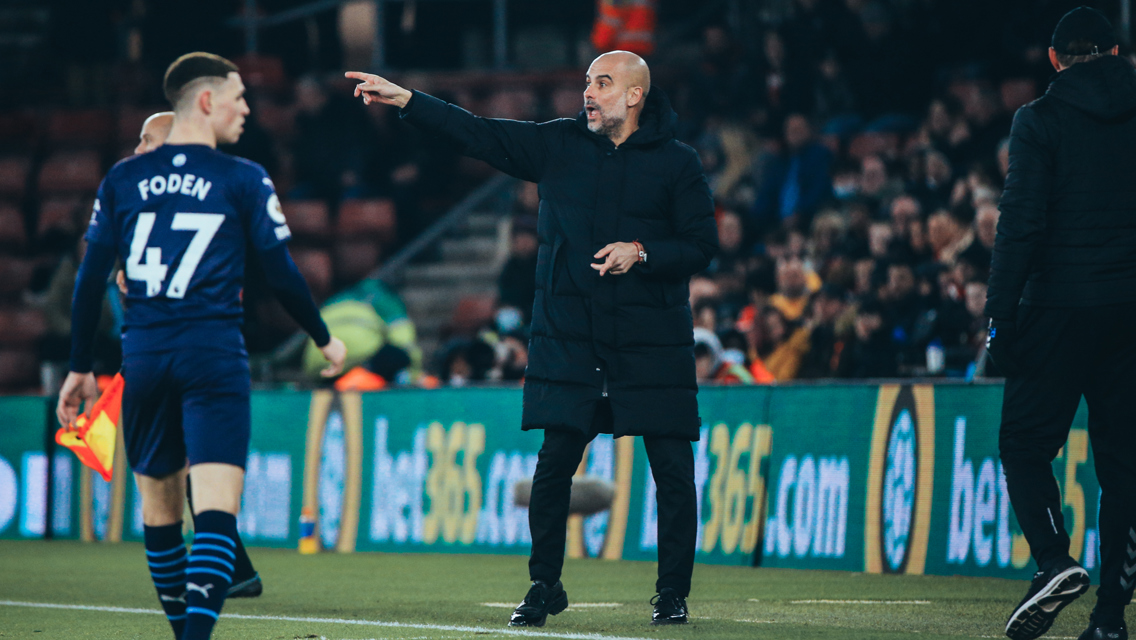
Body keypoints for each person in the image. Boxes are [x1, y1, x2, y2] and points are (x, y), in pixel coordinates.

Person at [347, 49, 717, 626]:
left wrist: (641, 252)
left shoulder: (678, 163)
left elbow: (701, 245)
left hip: (651, 341)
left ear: (635, 95)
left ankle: (672, 594)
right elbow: (479, 134)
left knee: (672, 472)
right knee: (552, 470)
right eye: (586, 83)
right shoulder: (558, 146)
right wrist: (409, 102)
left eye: (603, 83)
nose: (588, 93)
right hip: (571, 340)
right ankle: (545, 585)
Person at [56, 52, 346, 640]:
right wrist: (323, 336)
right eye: (239, 96)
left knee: (161, 517)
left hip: (143, 356)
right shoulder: (242, 177)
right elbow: (282, 274)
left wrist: (80, 367)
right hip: (212, 353)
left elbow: (89, 281)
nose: (247, 108)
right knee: (215, 512)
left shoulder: (121, 179)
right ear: (207, 101)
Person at [985, 8, 1136, 640]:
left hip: (1057, 304)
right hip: (1130, 308)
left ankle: (1054, 561)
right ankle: (1109, 620)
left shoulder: (1039, 120)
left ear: (1053, 60)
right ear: (1114, 51)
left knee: (1023, 444)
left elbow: (1020, 221)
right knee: (1124, 465)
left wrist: (1000, 316)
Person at [132, 109, 264, 599]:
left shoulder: (208, 193)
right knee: (185, 456)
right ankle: (234, 568)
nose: (138, 149)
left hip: (199, 344)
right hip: (170, 343)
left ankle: (226, 570)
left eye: (147, 140)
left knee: (190, 458)